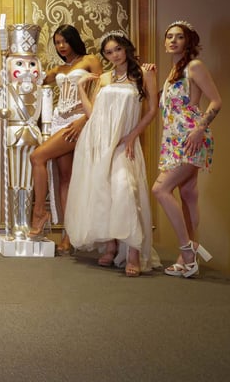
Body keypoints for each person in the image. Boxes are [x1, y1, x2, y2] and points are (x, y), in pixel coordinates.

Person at [65, 32, 159, 277]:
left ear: (126, 48)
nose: (114, 55)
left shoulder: (144, 73)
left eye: (117, 49)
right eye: (108, 52)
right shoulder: (105, 77)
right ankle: (110, 246)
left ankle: (134, 252)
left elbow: (152, 110)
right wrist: (81, 89)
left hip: (124, 142)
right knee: (103, 191)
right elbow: (94, 114)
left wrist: (132, 135)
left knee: (126, 189)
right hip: (100, 140)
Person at [152, 20, 221, 278]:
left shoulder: (194, 66)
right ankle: (186, 257)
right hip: (174, 139)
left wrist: (200, 128)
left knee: (160, 189)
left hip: (191, 137)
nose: (172, 40)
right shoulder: (172, 73)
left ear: (188, 41)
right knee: (188, 194)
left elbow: (216, 100)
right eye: (169, 36)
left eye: (178, 37)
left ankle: (187, 251)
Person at [28, 25, 102, 253]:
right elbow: (34, 80)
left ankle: (39, 212)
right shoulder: (59, 68)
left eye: (64, 42)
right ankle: (67, 237)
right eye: (57, 43)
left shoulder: (90, 60)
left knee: (37, 156)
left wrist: (84, 121)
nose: (61, 46)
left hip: (79, 121)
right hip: (60, 121)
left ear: (73, 41)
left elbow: (100, 91)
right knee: (65, 179)